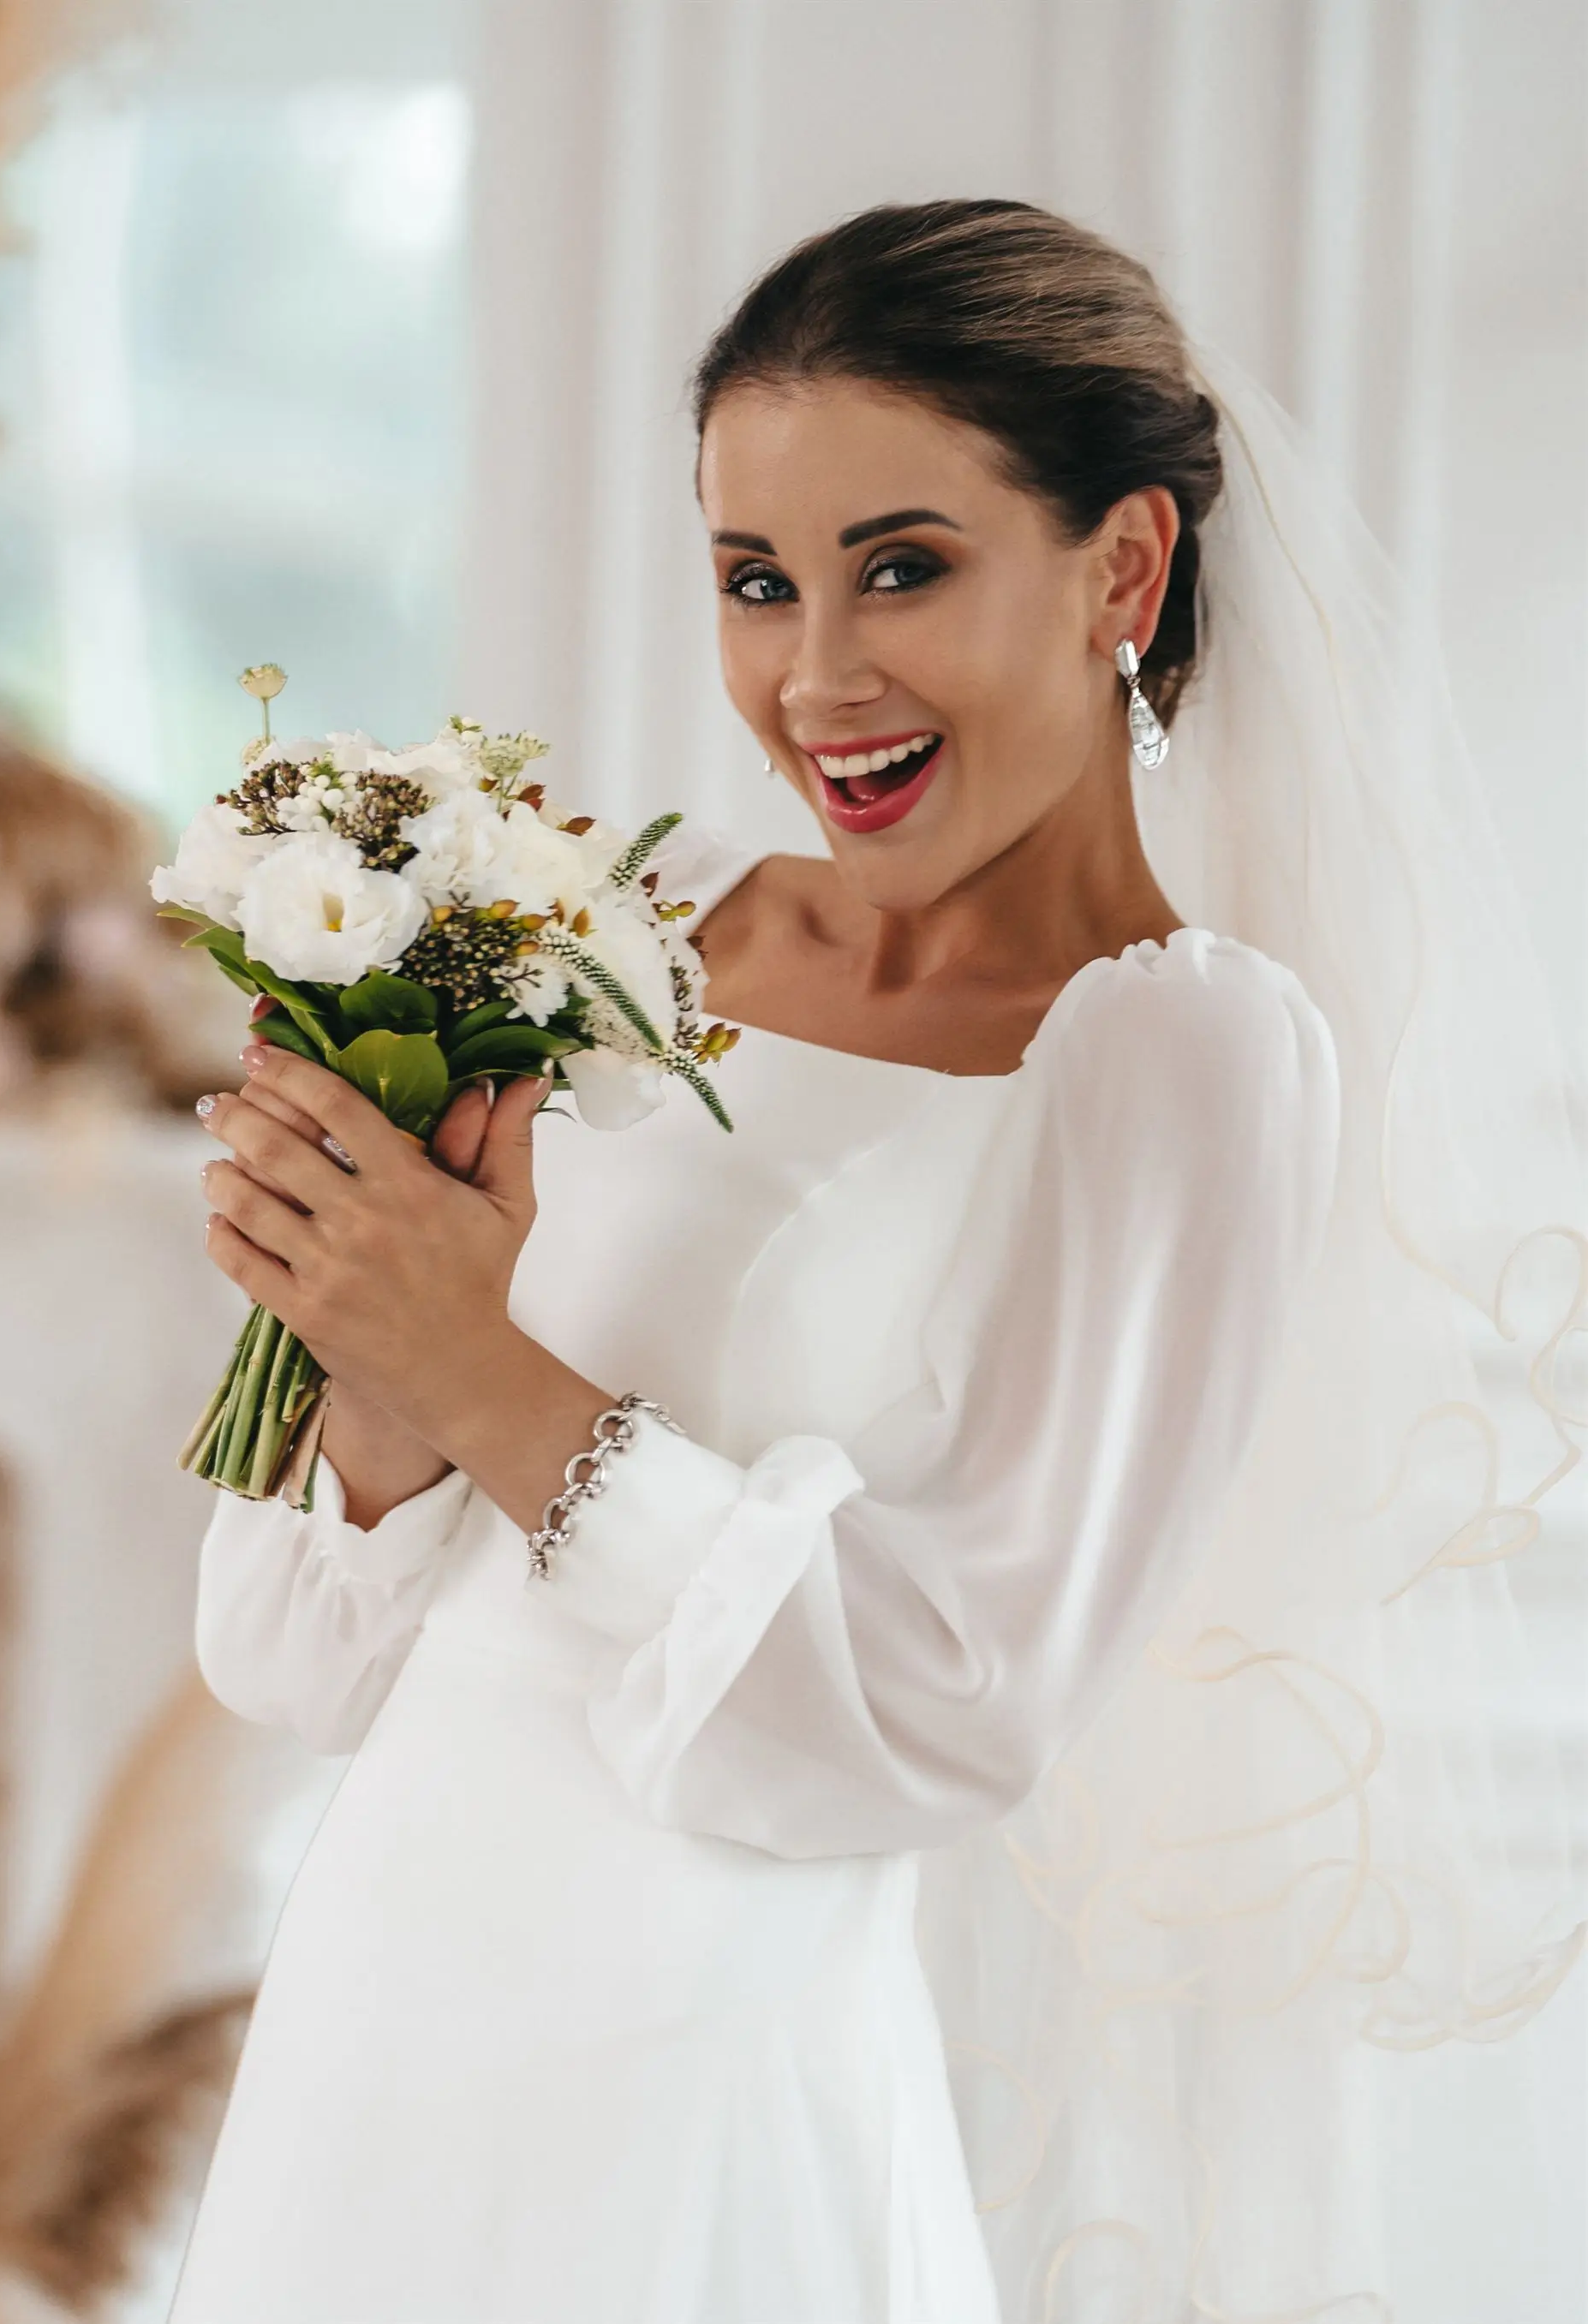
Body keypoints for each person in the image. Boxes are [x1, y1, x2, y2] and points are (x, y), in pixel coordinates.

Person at [169, 203, 1585, 2324]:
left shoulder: (1180, 1051)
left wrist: (476, 1368)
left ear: (1120, 566)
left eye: (898, 566)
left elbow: (946, 1707)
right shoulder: (669, 937)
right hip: (380, 2013)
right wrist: (362, 1337)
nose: (814, 676)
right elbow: (295, 1664)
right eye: (757, 582)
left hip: (692, 2083)